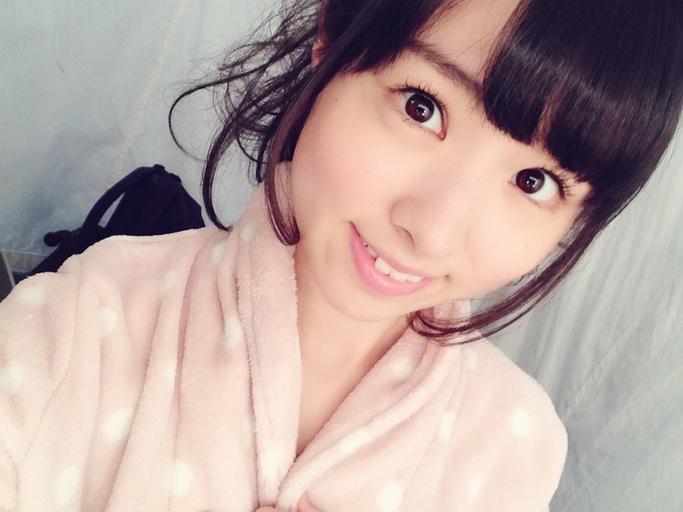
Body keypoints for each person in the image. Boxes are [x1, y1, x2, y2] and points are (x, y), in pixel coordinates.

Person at [1, 0, 680, 510]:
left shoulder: (513, 446)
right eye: (422, 107)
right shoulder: (87, 320)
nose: (431, 230)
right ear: (332, 41)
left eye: (533, 182)